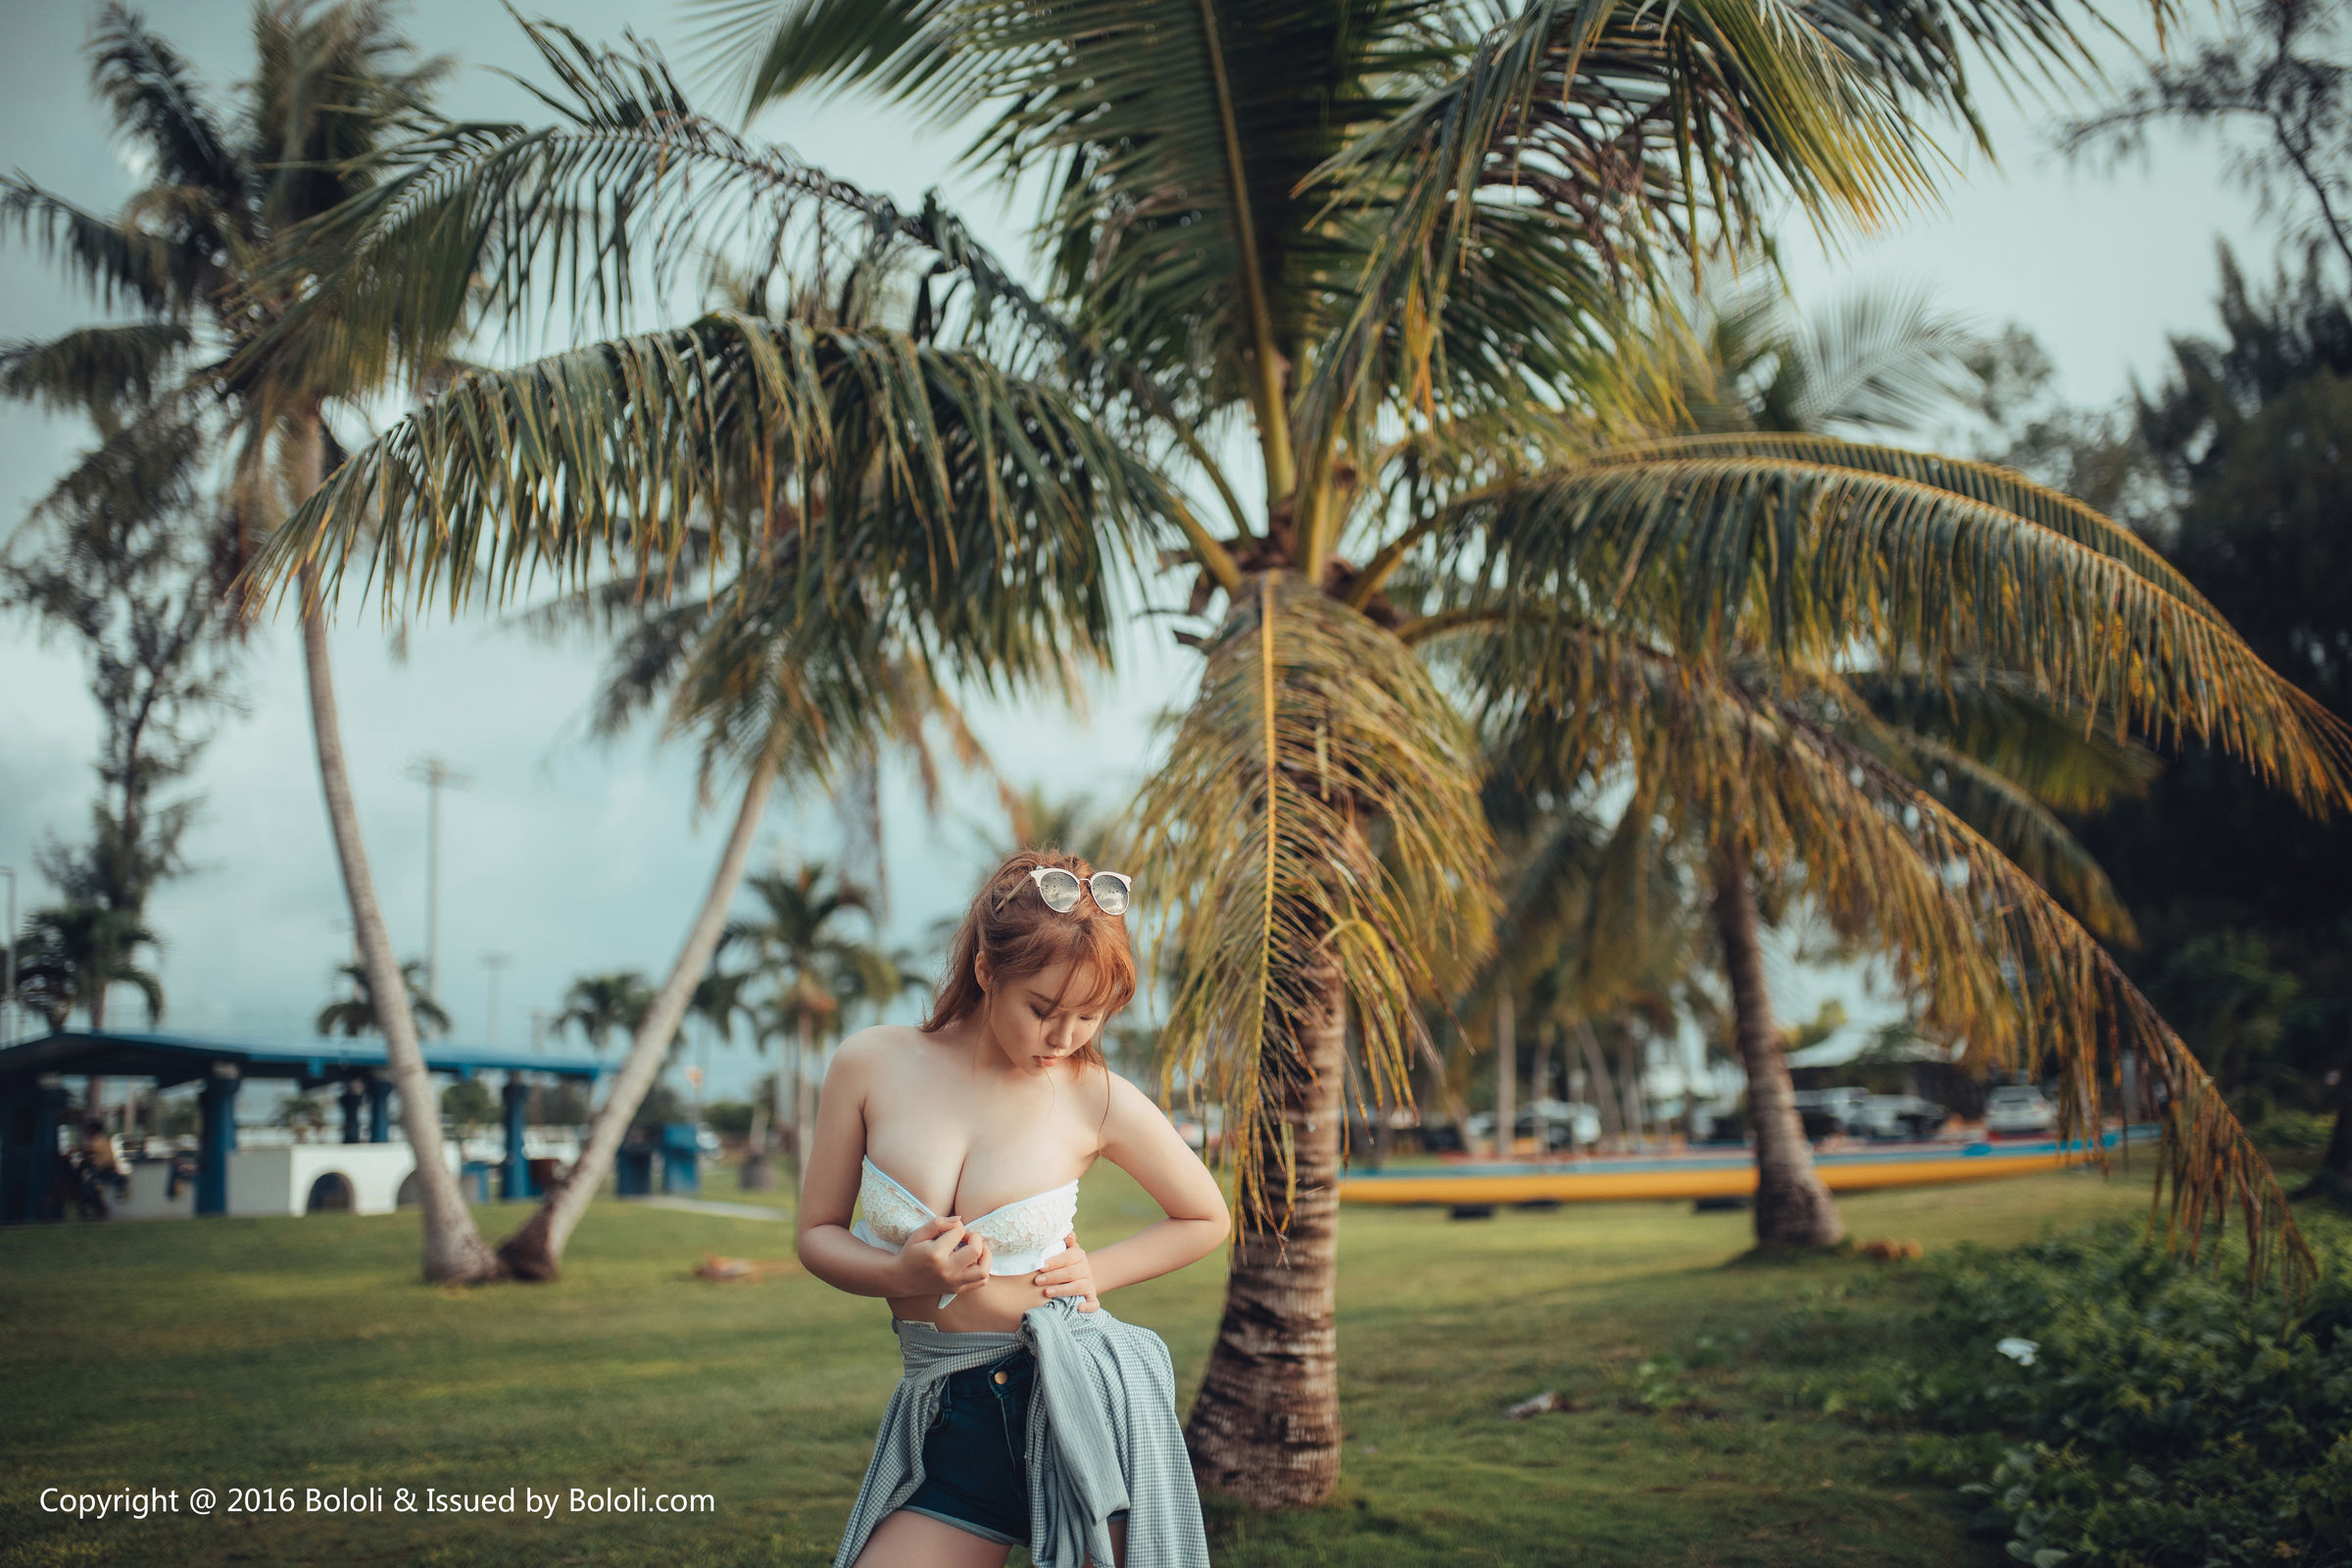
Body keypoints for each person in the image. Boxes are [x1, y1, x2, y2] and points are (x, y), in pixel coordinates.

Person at [799, 850, 1230, 1568]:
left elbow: (1205, 1216)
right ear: (985, 973)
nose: (1064, 1038)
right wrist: (900, 1271)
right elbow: (817, 1235)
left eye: (1090, 1016)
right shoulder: (871, 1063)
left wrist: (1096, 1273)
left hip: (1081, 1406)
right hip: (948, 1414)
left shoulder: (1095, 1096)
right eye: (1043, 1010)